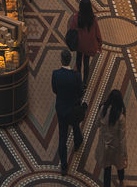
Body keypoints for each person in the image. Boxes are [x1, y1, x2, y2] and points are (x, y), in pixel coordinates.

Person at [52, 47, 86, 176]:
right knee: (75, 123)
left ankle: (64, 165)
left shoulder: (56, 74)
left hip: (61, 108)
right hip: (73, 107)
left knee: (62, 137)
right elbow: (80, 92)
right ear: (70, 60)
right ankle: (78, 141)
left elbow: (54, 90)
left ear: (61, 60)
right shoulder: (76, 76)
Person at [68, 0, 103, 85]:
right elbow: (97, 33)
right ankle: (85, 82)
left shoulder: (76, 17)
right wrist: (99, 44)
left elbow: (71, 28)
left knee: (78, 61)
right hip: (89, 45)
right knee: (86, 63)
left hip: (79, 44)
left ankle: (78, 78)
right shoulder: (93, 19)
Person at [98, 89, 127, 186]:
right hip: (116, 147)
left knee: (107, 168)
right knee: (120, 165)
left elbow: (97, 123)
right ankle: (121, 181)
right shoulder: (120, 118)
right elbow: (122, 138)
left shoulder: (103, 109)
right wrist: (124, 154)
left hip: (105, 145)